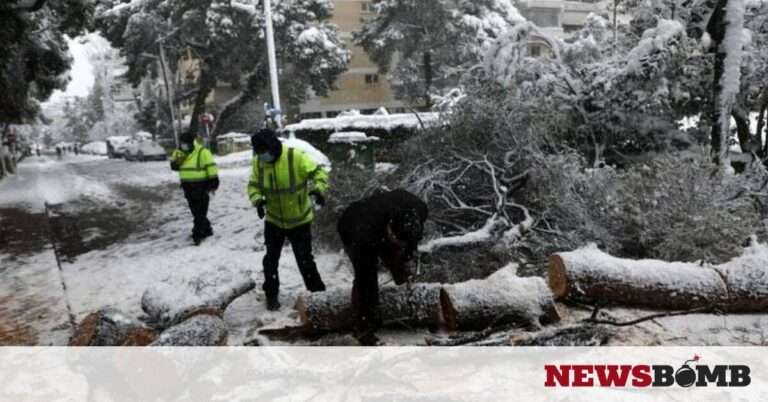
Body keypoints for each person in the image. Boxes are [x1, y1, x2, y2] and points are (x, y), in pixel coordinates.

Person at [247, 128, 329, 311]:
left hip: (299, 220)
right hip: (274, 220)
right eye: (259, 153)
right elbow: (253, 185)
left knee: (305, 260)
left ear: (273, 147)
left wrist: (318, 190)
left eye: (264, 152)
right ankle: (271, 295)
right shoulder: (258, 163)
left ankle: (318, 294)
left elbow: (319, 173)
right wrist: (257, 200)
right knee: (270, 260)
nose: (263, 156)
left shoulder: (296, 157)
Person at [337, 189, 428, 345]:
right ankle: (363, 324)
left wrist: (407, 254)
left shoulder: (419, 209)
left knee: (402, 267)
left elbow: (413, 238)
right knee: (367, 277)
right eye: (395, 240)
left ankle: (409, 301)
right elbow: (365, 277)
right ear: (389, 228)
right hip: (352, 225)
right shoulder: (363, 230)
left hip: (384, 224)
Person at [170, 132, 219, 245]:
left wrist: (213, 182)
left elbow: (211, 167)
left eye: (186, 143)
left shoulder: (203, 152)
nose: (183, 145)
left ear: (192, 142)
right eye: (182, 143)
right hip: (187, 187)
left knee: (200, 212)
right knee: (195, 211)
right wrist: (177, 162)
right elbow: (174, 166)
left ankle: (197, 233)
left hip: (202, 186)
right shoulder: (179, 152)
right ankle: (207, 229)